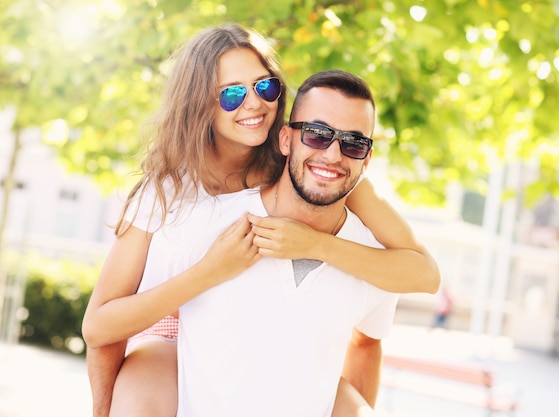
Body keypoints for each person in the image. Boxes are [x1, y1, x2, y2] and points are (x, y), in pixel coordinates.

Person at [82, 24, 440, 417]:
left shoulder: (311, 170)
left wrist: (313, 244)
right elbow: (101, 328)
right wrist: (101, 409)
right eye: (232, 94)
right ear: (200, 104)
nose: (254, 104)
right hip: (167, 332)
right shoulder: (169, 193)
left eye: (265, 87)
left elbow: (419, 276)